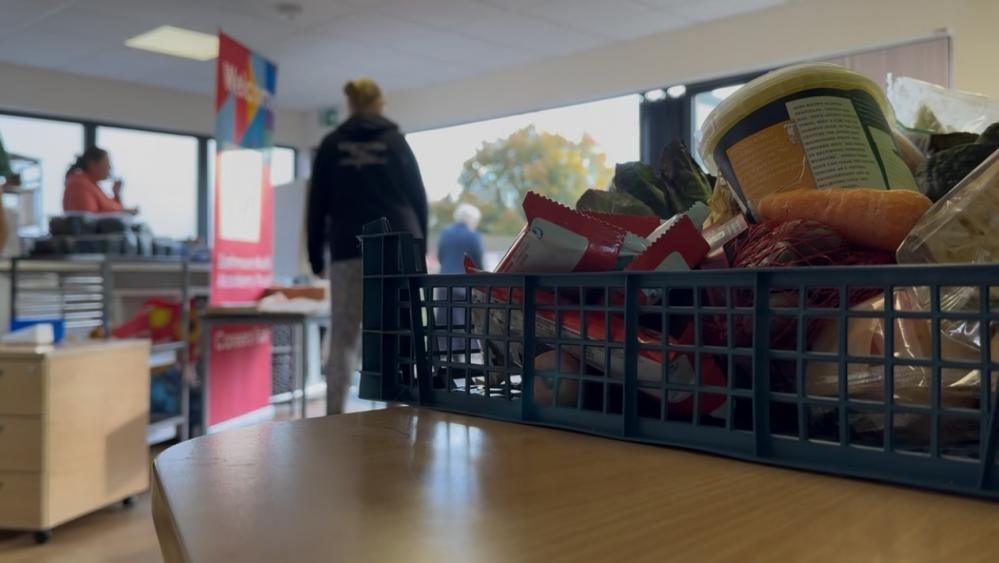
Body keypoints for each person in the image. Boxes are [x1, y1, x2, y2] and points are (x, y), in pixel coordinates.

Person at [307, 78, 428, 415]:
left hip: (349, 249)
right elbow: (418, 199)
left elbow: (317, 204)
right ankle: (396, 414)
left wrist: (315, 255)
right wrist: (418, 252)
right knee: (397, 333)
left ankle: (333, 415)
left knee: (344, 335)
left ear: (351, 105)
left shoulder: (332, 145)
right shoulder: (396, 142)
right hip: (396, 249)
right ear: (379, 104)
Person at [63, 147, 136, 214]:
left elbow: (110, 207)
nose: (109, 167)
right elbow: (89, 217)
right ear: (92, 164)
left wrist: (116, 194)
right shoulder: (79, 184)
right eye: (107, 163)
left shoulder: (92, 185)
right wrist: (123, 212)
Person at [437, 203, 484, 273]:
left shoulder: (445, 233)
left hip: (445, 279)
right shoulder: (473, 235)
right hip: (466, 280)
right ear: (471, 219)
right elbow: (478, 260)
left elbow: (440, 256)